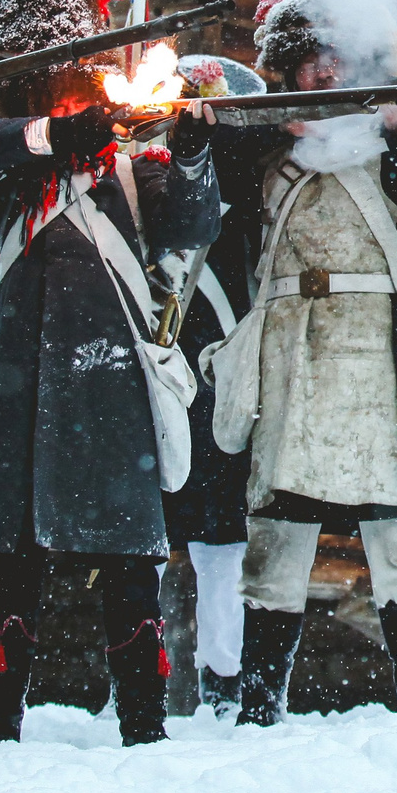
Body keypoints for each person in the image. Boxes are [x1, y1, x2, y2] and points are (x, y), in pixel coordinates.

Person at [0, 0, 219, 752]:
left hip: (112, 371)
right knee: (13, 561)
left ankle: (142, 721)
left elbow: (190, 227)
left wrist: (193, 149)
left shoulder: (124, 148)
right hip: (23, 366)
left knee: (133, 559)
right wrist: (62, 132)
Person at [207, 0, 397, 724]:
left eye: (336, 58)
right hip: (290, 349)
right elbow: (209, 190)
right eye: (308, 61)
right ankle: (259, 706)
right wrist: (255, 125)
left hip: (377, 352)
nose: (324, 74)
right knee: (276, 537)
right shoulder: (263, 143)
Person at [152, 53, 263, 720]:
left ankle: (225, 683)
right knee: (156, 542)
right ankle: (146, 682)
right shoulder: (148, 175)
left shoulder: (245, 178)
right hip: (160, 371)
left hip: (222, 375)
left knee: (222, 544)